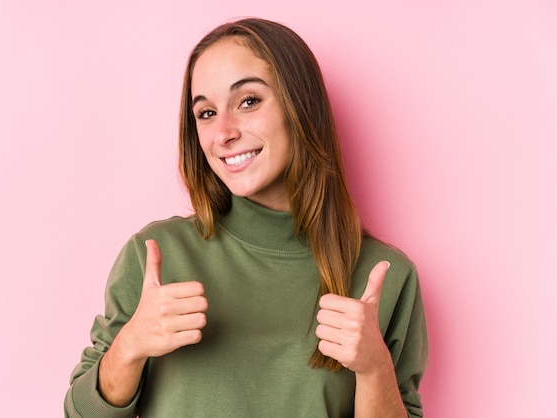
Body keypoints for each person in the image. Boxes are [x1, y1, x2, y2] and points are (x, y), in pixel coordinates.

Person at [64, 17, 427, 418]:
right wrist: (130, 346)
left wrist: (375, 369)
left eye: (248, 101)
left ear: (299, 105)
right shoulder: (158, 255)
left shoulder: (385, 276)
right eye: (206, 113)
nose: (223, 133)